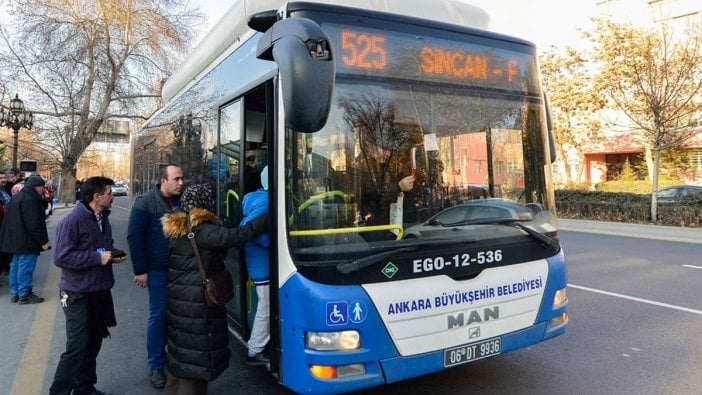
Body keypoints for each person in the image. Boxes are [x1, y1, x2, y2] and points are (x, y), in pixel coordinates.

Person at [161, 183, 268, 394]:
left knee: (182, 355)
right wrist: (267, 216)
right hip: (197, 303)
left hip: (181, 300)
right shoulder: (202, 229)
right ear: (205, 204)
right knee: (196, 360)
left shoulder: (178, 227)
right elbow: (236, 236)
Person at [49, 176, 127, 395]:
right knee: (77, 346)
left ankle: (84, 388)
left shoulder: (102, 217)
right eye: (110, 193)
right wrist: (97, 259)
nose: (113, 196)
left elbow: (103, 247)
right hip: (76, 293)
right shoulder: (72, 220)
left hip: (99, 290)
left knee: (93, 342)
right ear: (96, 196)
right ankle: (59, 392)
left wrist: (112, 255)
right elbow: (62, 257)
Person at [127, 164, 184, 389]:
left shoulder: (183, 201)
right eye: (176, 179)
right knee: (158, 316)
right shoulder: (145, 202)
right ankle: (156, 365)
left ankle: (175, 359)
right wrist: (140, 270)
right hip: (158, 271)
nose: (181, 183)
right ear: (163, 181)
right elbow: (135, 237)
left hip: (181, 270)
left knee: (179, 316)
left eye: (182, 179)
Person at [0, 175, 51, 304]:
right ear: (36, 187)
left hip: (16, 239)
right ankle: (25, 294)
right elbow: (34, 224)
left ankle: (16, 293)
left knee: (16, 266)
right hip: (26, 240)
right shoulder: (30, 200)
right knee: (25, 268)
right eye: (42, 187)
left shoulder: (18, 196)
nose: (43, 190)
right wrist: (43, 241)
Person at [241, 166, 271, 365]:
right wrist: (273, 243)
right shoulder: (267, 200)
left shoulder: (256, 197)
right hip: (263, 264)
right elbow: (248, 227)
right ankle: (255, 349)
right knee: (266, 308)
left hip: (259, 263)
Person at [0, 172, 12, 275]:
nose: (3, 180)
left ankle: (4, 267)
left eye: (4, 178)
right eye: (0, 178)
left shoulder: (4, 190)